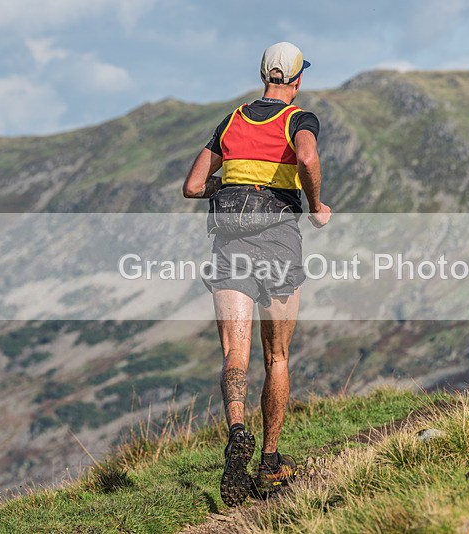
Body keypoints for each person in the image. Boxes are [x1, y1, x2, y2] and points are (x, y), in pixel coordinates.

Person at [182, 42, 331, 506]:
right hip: (280, 241)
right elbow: (306, 158)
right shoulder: (298, 119)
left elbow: (190, 187)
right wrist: (316, 205)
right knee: (278, 357)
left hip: (230, 242)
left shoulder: (231, 120)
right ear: (297, 79)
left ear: (262, 74)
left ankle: (237, 431)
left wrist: (226, 184)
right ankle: (268, 461)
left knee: (234, 352)